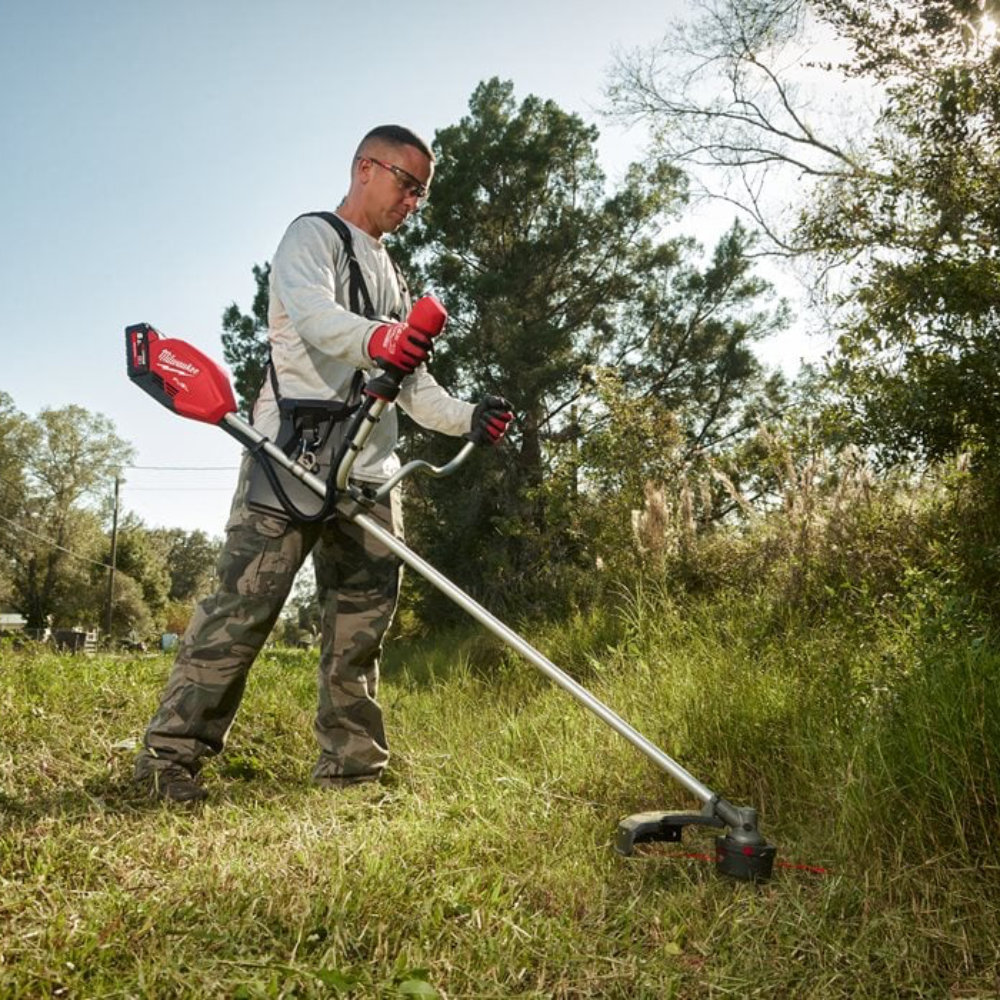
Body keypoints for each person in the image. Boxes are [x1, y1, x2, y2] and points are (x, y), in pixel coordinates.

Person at [134, 124, 513, 802]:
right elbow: (317, 321)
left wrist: (468, 417)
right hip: (291, 461)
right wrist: (386, 338)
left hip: (369, 474)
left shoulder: (395, 276)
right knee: (239, 615)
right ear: (366, 167)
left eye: (423, 192)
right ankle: (169, 760)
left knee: (359, 631)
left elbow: (414, 386)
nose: (415, 202)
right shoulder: (311, 238)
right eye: (407, 183)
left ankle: (353, 769)